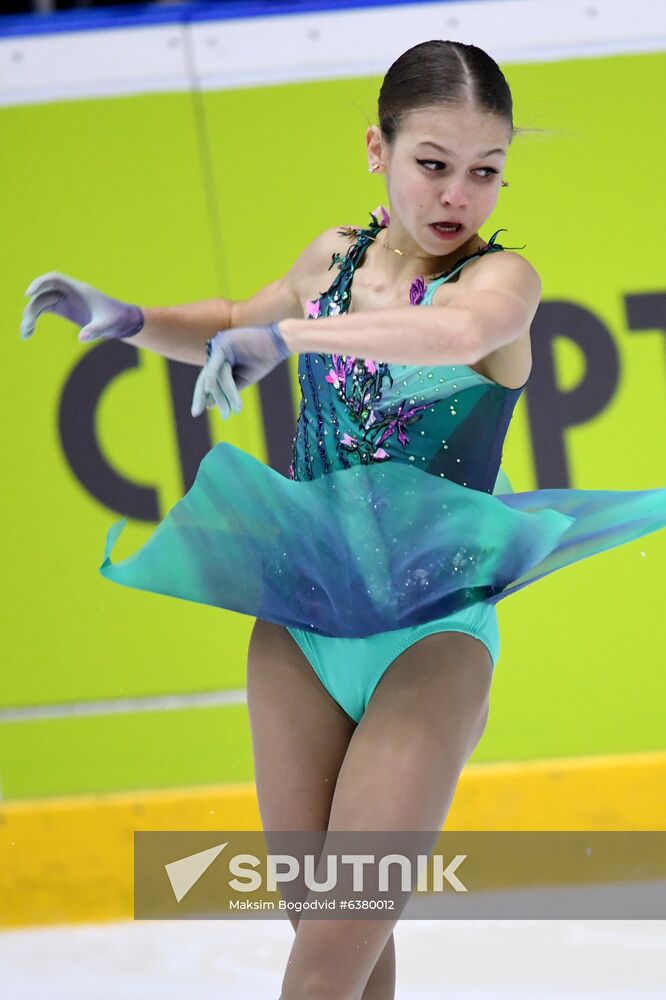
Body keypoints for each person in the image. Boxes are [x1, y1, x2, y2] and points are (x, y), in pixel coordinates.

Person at [21, 38, 666, 1000]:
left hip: (432, 642)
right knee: (345, 953)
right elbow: (238, 310)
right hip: (299, 632)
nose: (458, 195)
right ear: (379, 150)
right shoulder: (333, 258)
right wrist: (128, 318)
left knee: (320, 968)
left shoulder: (500, 285)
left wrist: (285, 335)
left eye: (485, 172)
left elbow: (449, 336)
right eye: (433, 165)